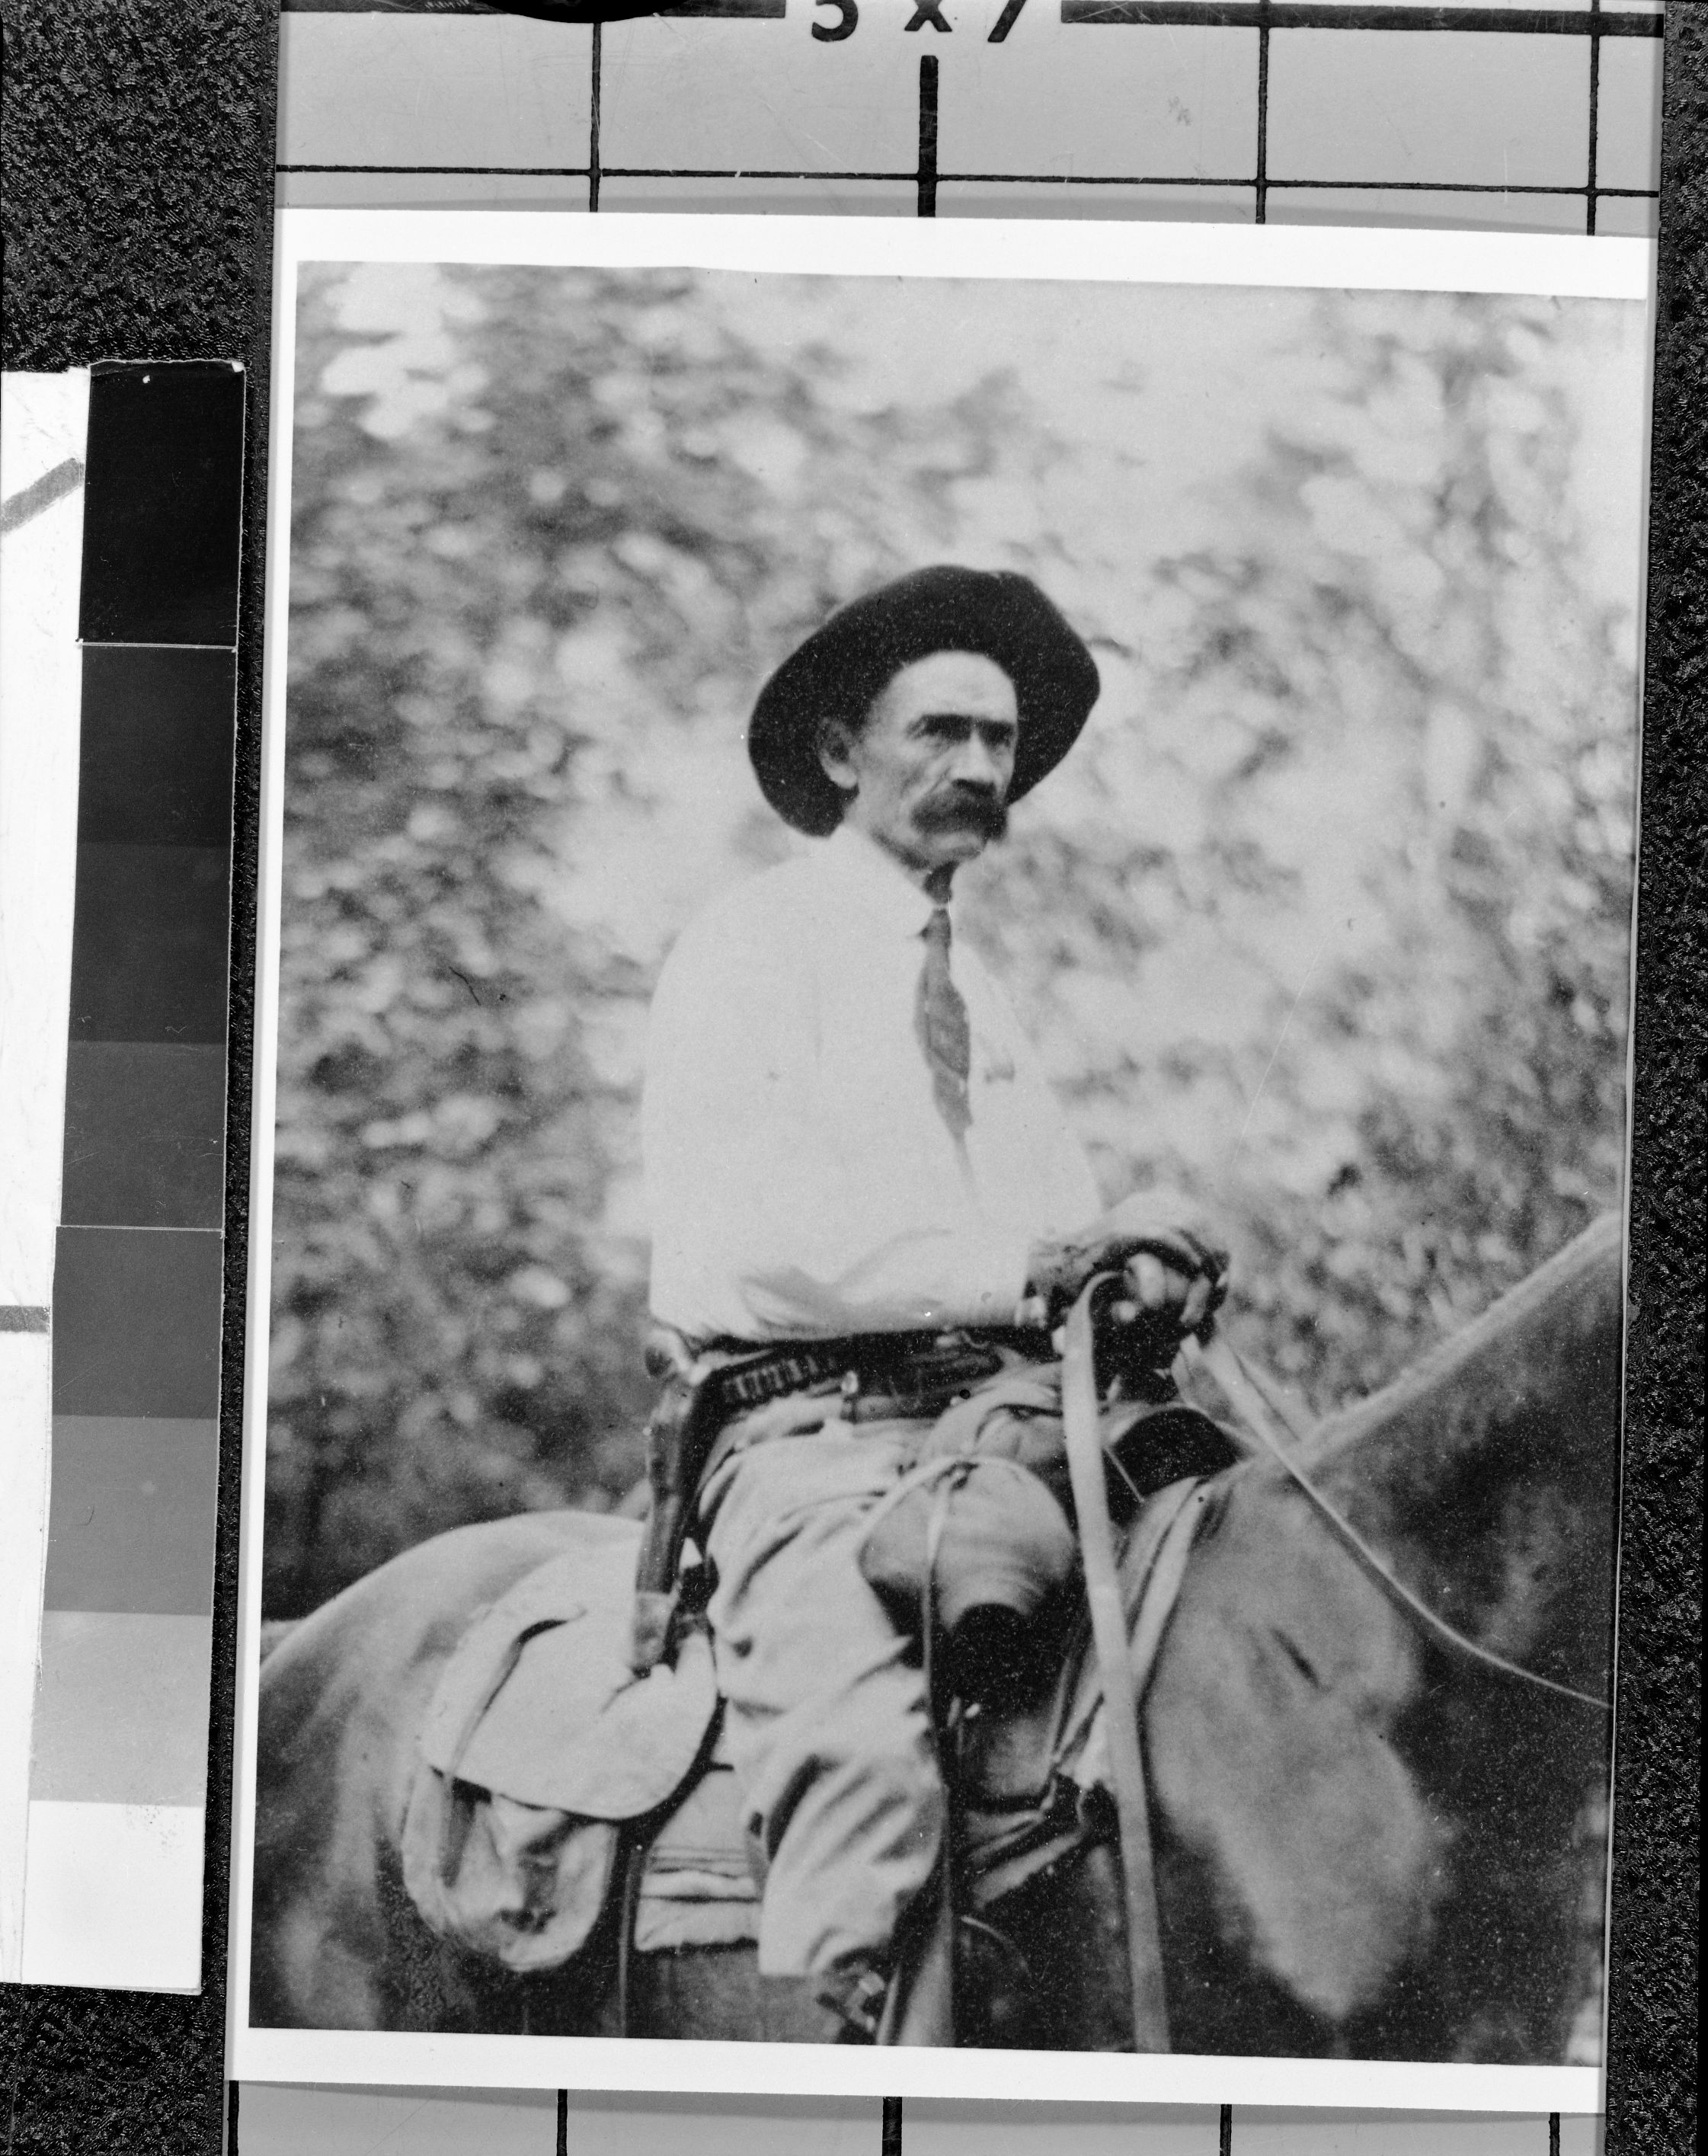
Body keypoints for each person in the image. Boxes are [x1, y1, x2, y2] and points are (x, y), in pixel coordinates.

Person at [641, 565, 1226, 2039]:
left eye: (1000, 742)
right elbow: (755, 1243)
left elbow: (1052, 1244)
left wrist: (1125, 1274)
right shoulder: (752, 948)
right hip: (814, 1441)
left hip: (1005, 1434)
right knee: (866, 1763)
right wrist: (1030, 1267)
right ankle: (833, 2073)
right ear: (843, 753)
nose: (978, 768)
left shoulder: (991, 998)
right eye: (940, 731)